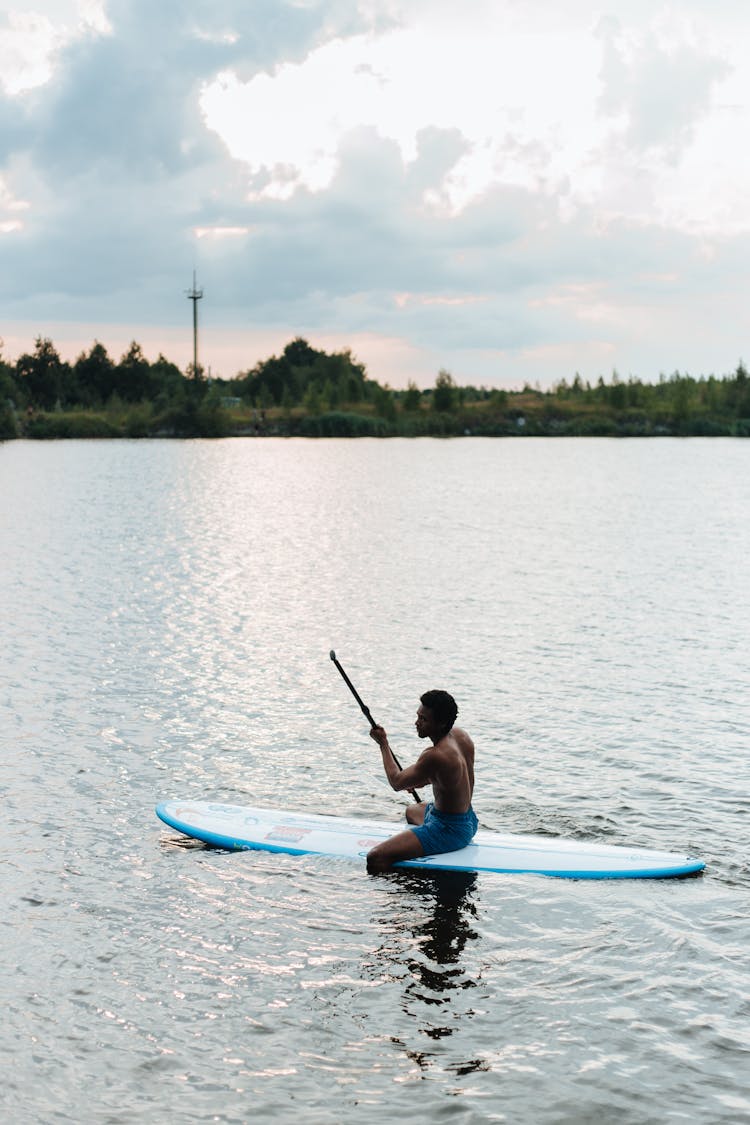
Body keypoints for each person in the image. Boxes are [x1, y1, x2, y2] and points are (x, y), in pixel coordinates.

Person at [366, 689, 476, 873]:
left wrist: (383, 744)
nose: (416, 723)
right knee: (411, 811)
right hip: (469, 820)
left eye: (423, 719)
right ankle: (419, 841)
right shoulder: (461, 736)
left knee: (375, 857)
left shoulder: (435, 755)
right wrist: (422, 780)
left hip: (449, 831)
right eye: (418, 716)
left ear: (441, 723)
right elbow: (452, 777)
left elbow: (396, 781)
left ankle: (412, 887)